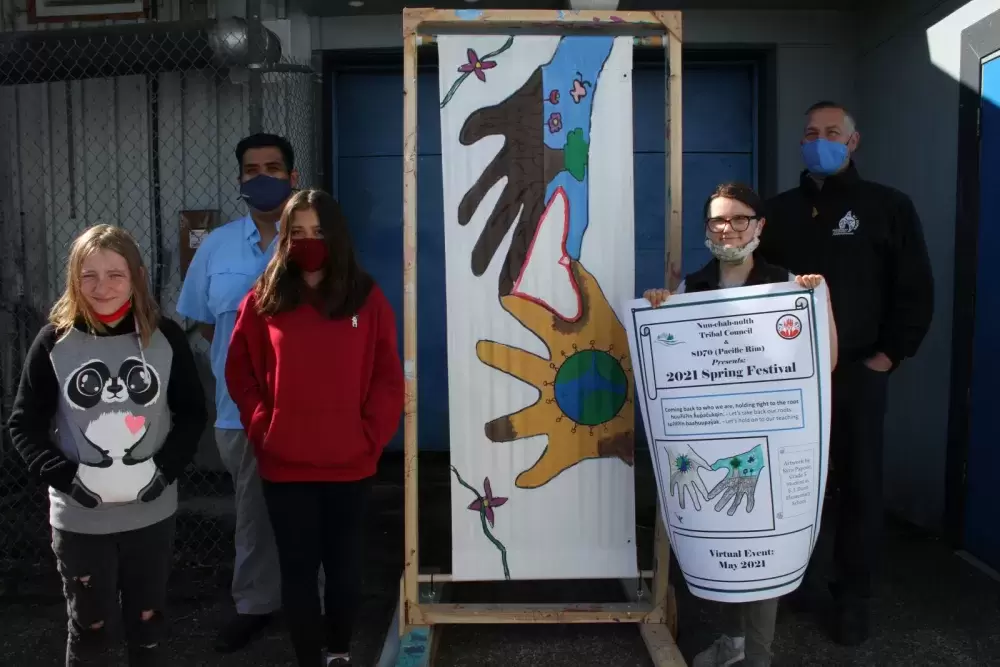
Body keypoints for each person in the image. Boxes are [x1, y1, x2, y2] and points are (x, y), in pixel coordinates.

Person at [758, 101, 934, 646]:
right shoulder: (778, 212)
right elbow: (745, 277)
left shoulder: (887, 207)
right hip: (788, 378)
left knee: (858, 483)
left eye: (832, 132)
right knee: (792, 484)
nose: (820, 140)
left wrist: (888, 356)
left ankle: (852, 597)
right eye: (811, 133)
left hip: (857, 372)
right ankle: (796, 583)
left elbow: (915, 288)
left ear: (853, 142)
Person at [643, 182, 838, 667]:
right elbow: (669, 366)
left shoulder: (788, 285)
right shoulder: (693, 288)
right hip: (716, 441)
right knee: (721, 543)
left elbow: (826, 362)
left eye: (738, 219)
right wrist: (657, 312)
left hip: (768, 448)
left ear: (759, 225)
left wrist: (822, 302)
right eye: (717, 221)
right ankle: (731, 644)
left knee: (765, 551)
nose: (727, 229)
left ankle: (759, 659)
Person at [7, 224, 207, 667]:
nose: (102, 287)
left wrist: (164, 472)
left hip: (150, 516)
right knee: (91, 629)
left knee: (148, 624)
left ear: (136, 275)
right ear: (73, 279)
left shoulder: (166, 337)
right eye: (88, 275)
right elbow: (24, 426)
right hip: (81, 520)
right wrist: (67, 480)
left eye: (115, 274)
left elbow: (193, 415)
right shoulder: (53, 342)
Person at [225, 189, 404, 667]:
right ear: (284, 239)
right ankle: (308, 658)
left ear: (337, 236)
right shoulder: (264, 299)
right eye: (297, 232)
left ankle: (340, 653)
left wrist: (371, 434)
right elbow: (239, 370)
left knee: (345, 569)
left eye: (318, 232)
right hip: (285, 465)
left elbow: (389, 375)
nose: (308, 242)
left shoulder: (366, 298)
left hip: (351, 463)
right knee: (298, 570)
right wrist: (264, 426)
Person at [176, 133, 300, 652]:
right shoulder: (218, 247)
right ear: (240, 180)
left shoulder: (319, 241)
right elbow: (206, 325)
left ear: (294, 178)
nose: (263, 176)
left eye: (274, 167)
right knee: (253, 513)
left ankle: (309, 604)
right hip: (240, 413)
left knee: (307, 510)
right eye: (253, 170)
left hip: (308, 410)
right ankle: (254, 604)